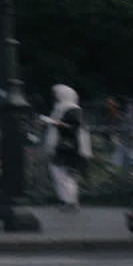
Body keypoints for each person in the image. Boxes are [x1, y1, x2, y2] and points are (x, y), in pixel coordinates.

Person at [45, 83, 84, 211]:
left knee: (66, 175)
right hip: (60, 146)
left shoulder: (73, 109)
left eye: (56, 95)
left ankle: (70, 201)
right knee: (58, 174)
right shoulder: (59, 108)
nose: (54, 97)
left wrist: (55, 123)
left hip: (68, 147)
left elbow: (73, 127)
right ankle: (65, 200)